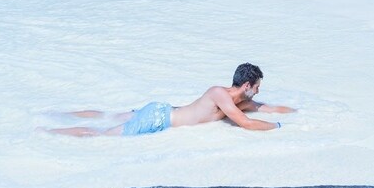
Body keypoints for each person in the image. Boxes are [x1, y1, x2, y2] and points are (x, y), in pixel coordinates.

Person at [45, 63, 294, 137]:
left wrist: (304, 115)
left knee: (106, 115)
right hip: (158, 119)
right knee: (100, 134)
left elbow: (270, 108)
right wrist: (279, 128)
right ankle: (47, 131)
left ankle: (55, 114)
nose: (259, 93)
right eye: (258, 87)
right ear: (247, 85)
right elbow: (246, 123)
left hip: (161, 111)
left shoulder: (241, 102)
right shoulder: (219, 93)